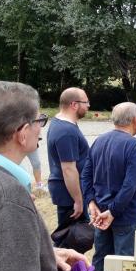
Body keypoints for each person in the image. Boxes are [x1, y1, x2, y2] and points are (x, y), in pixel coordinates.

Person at [0, 81, 102, 271]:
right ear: (22, 132)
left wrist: (44, 252)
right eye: (40, 119)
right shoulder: (7, 196)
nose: (42, 128)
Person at [81, 102, 136, 271]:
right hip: (123, 215)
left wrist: (91, 202)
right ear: (135, 120)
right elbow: (130, 186)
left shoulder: (99, 141)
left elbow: (86, 175)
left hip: (102, 213)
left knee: (102, 257)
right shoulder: (135, 146)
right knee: (124, 261)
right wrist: (111, 211)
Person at [47, 87, 91, 229]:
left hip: (68, 191)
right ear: (74, 104)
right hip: (69, 194)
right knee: (70, 239)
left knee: (73, 239)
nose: (88, 106)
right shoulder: (66, 131)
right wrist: (78, 200)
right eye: (86, 102)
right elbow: (68, 169)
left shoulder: (61, 124)